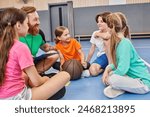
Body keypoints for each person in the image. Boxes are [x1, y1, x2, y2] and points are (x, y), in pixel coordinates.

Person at [0, 7, 70, 100]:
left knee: (25, 77)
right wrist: (47, 79)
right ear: (18, 25)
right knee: (65, 75)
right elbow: (37, 82)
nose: (28, 26)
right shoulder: (20, 47)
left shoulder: (3, 43)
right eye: (26, 23)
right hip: (18, 98)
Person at [102, 13, 150, 98]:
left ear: (111, 28)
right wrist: (107, 69)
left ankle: (121, 87)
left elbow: (122, 70)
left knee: (112, 78)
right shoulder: (119, 43)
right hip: (132, 77)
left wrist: (110, 75)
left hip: (143, 84)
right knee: (111, 76)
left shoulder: (124, 44)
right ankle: (122, 87)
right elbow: (118, 63)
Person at [19, 6, 58, 74]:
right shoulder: (15, 35)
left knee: (54, 55)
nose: (39, 22)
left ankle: (35, 74)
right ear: (25, 21)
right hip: (20, 65)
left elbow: (45, 47)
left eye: (38, 19)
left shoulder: (39, 33)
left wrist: (58, 46)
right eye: (35, 19)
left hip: (33, 62)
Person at [86, 12, 111, 76]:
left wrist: (98, 34)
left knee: (106, 41)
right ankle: (104, 68)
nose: (99, 23)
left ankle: (110, 66)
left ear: (108, 22)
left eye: (101, 21)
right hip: (102, 56)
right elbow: (92, 49)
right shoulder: (94, 33)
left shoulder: (111, 31)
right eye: (98, 21)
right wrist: (86, 63)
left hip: (113, 56)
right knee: (93, 71)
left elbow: (106, 36)